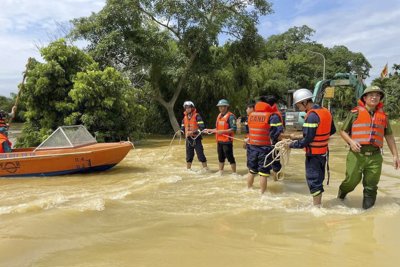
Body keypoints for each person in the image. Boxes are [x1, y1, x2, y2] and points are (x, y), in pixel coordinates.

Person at [337, 86, 400, 209]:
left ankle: (367, 215)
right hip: (356, 154)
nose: (374, 97)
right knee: (350, 182)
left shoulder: (383, 116)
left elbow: (389, 136)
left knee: (371, 187)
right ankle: (340, 197)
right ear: (364, 98)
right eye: (371, 95)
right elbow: (343, 131)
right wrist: (351, 142)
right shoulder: (354, 113)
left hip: (375, 156)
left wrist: (395, 155)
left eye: (377, 95)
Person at [289, 89, 336, 206]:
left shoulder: (311, 116)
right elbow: (332, 130)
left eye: (298, 104)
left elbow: (307, 140)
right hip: (323, 153)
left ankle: (316, 207)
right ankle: (318, 204)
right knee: (319, 179)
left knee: (313, 181)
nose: (298, 107)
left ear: (305, 102)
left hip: (313, 155)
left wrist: (291, 144)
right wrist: (320, 138)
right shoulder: (325, 111)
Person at [246, 96, 285, 194]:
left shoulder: (251, 115)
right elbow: (276, 133)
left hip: (252, 147)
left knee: (251, 170)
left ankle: (248, 189)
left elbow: (249, 131)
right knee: (263, 173)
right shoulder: (271, 116)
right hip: (265, 148)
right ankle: (262, 194)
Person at [205, 99, 237, 175]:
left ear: (226, 107)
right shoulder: (219, 116)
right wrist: (210, 130)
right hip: (219, 141)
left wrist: (222, 132)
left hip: (227, 141)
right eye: (220, 107)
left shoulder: (231, 116)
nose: (221, 109)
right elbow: (217, 129)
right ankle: (220, 172)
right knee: (220, 157)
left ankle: (234, 173)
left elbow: (233, 129)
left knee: (230, 157)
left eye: (223, 107)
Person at [181, 101, 208, 171]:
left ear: (192, 108)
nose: (187, 109)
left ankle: (206, 169)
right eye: (186, 108)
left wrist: (193, 132)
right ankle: (188, 170)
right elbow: (183, 127)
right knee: (189, 156)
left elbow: (202, 128)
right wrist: (181, 131)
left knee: (200, 155)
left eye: (189, 107)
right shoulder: (184, 118)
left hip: (197, 139)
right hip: (188, 139)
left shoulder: (197, 116)